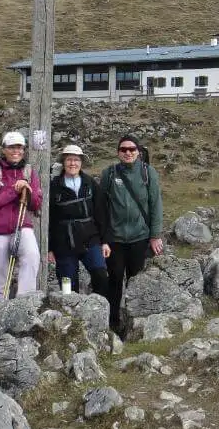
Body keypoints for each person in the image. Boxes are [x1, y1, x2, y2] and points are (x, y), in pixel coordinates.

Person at [99, 138, 164, 333]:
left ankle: (135, 322)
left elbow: (156, 204)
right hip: (115, 239)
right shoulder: (109, 174)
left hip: (140, 237)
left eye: (131, 149)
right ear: (118, 152)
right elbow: (101, 208)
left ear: (138, 151)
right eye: (123, 149)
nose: (128, 152)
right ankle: (113, 322)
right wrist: (103, 238)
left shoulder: (147, 173)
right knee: (115, 279)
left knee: (135, 280)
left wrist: (154, 235)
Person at [0, 130, 43, 300]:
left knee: (32, 256)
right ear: (4, 149)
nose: (16, 151)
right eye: (11, 147)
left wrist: (28, 192)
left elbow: (36, 203)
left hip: (22, 226)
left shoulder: (30, 171)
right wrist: (15, 189)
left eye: (19, 147)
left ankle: (25, 304)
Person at [46, 144, 109, 299]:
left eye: (76, 160)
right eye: (69, 160)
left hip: (90, 239)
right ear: (63, 162)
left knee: (100, 274)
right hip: (63, 242)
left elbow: (101, 213)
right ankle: (71, 318)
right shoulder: (53, 186)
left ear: (81, 162)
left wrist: (105, 241)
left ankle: (97, 310)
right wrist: (49, 248)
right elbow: (49, 219)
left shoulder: (90, 183)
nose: (72, 163)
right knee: (67, 285)